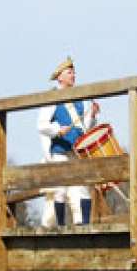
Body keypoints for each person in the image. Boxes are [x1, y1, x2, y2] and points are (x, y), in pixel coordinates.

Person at [36, 57, 99, 226]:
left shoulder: (79, 98)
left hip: (76, 150)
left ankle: (85, 226)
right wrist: (57, 130)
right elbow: (41, 125)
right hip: (60, 151)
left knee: (83, 188)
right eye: (69, 73)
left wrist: (92, 116)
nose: (73, 76)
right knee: (60, 191)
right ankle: (61, 227)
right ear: (60, 78)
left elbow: (85, 128)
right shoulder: (52, 97)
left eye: (73, 73)